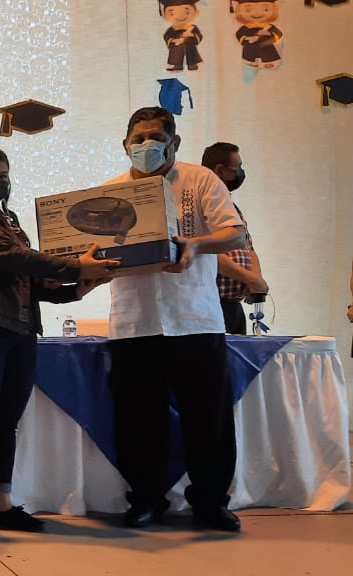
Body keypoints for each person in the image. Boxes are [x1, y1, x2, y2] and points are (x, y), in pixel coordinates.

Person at [0, 148, 118, 535]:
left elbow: (26, 280)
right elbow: (14, 258)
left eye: (4, 175)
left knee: (5, 423)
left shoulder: (8, 219)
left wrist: (75, 289)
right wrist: (77, 265)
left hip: (19, 330)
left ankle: (1, 504)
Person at [106, 107, 247, 532]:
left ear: (174, 142)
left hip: (195, 319)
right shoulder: (110, 192)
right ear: (125, 144)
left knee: (208, 419)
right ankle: (146, 500)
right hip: (135, 321)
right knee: (138, 421)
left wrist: (196, 244)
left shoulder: (200, 180)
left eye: (156, 137)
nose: (146, 145)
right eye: (138, 138)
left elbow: (235, 232)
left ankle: (210, 502)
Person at [202, 142, 268, 335]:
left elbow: (248, 248)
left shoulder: (231, 206)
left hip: (233, 307)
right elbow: (207, 253)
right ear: (219, 170)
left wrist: (255, 280)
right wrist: (249, 278)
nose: (240, 173)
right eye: (236, 168)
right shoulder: (201, 206)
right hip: (211, 305)